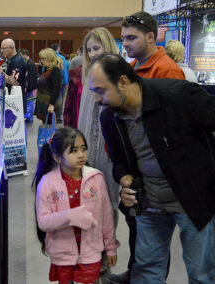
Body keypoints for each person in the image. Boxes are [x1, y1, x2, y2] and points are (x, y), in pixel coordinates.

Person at [89, 53, 215, 284]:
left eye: (100, 90)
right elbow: (118, 162)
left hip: (194, 203)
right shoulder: (110, 118)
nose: (97, 99)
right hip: (149, 205)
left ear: (124, 82)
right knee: (146, 271)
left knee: (201, 274)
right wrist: (125, 180)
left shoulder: (177, 95)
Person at [106, 11, 186, 283]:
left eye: (131, 38)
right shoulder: (133, 67)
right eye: (123, 38)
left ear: (151, 37)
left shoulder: (166, 70)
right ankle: (136, 273)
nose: (125, 43)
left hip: (161, 175)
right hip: (137, 169)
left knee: (157, 240)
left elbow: (175, 127)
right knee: (138, 231)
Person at [33, 127, 119, 284]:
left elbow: (106, 217)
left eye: (83, 149)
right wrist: (70, 216)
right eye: (73, 150)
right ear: (57, 157)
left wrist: (111, 247)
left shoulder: (96, 179)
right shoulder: (47, 183)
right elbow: (43, 222)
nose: (81, 155)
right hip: (62, 255)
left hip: (91, 253)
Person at [77, 27, 120, 229]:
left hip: (109, 151)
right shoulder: (88, 77)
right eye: (89, 50)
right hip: (88, 149)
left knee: (108, 201)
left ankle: (105, 250)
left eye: (96, 48)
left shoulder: (119, 78)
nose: (93, 54)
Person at [0, 38, 27, 113]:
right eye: (1, 48)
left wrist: (1, 73)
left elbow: (14, 82)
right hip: (13, 99)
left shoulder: (17, 61)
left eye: (4, 48)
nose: (2, 51)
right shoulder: (11, 60)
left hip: (16, 100)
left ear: (12, 48)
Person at [34, 48, 62, 123]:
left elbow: (56, 88)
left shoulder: (55, 70)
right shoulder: (47, 69)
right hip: (43, 103)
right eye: (41, 59)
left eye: (43, 58)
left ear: (50, 58)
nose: (41, 61)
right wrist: (40, 67)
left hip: (49, 104)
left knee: (50, 128)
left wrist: (51, 104)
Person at [51, 43, 69, 122]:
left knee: (51, 98)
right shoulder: (61, 58)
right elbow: (64, 71)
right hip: (60, 82)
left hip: (50, 82)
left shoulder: (49, 57)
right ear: (58, 49)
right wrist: (65, 82)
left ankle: (50, 115)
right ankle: (58, 117)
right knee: (60, 99)